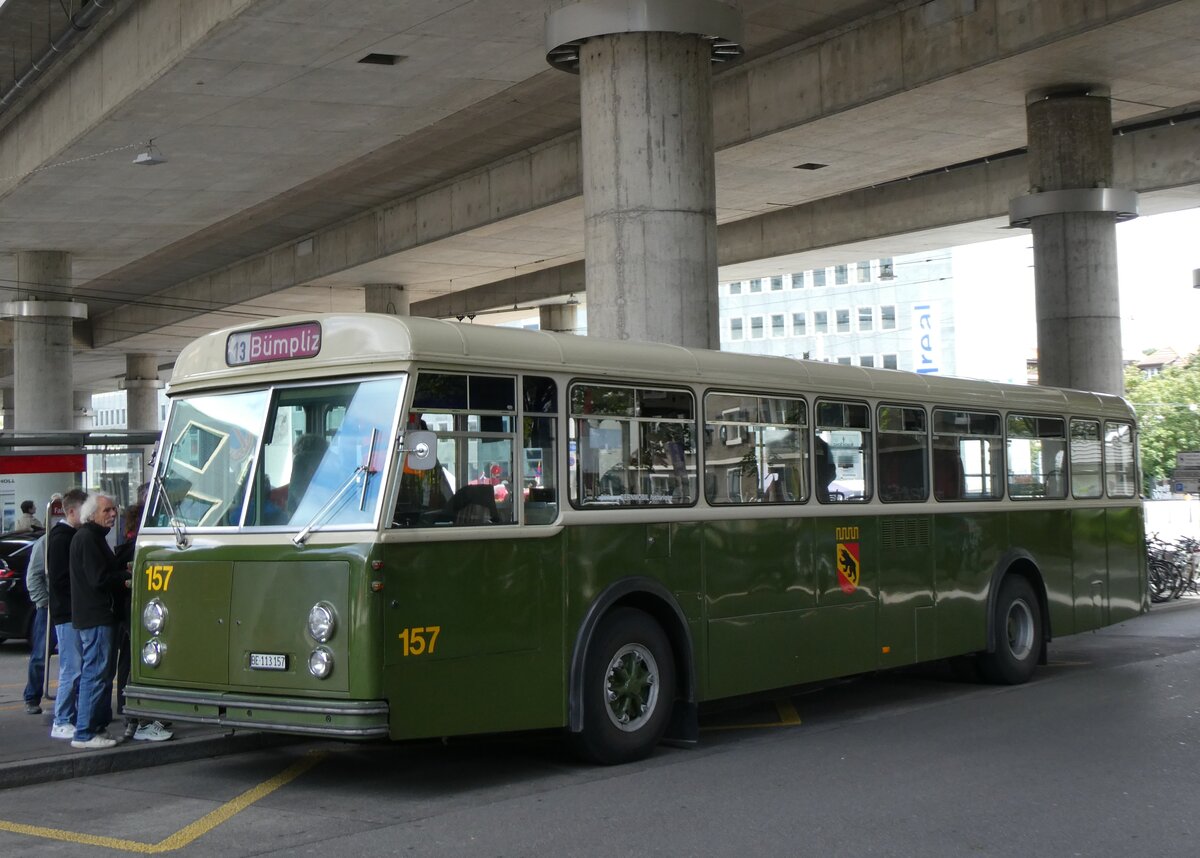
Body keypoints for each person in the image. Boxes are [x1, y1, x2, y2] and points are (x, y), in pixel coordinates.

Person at [68, 493, 129, 750]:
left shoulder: (92, 538)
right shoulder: (88, 539)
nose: (113, 514)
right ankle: (84, 732)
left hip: (97, 616)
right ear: (91, 514)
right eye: (107, 510)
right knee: (95, 673)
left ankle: (96, 727)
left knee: (102, 673)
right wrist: (124, 578)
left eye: (114, 510)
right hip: (96, 617)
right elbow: (98, 578)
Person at [113, 503, 172, 742]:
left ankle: (130, 715)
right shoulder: (139, 551)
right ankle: (140, 719)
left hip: (128, 614)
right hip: (140, 614)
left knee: (128, 662)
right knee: (142, 663)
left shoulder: (123, 549)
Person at [47, 488, 87, 740]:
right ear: (71, 511)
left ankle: (67, 718)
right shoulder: (63, 538)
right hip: (67, 613)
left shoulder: (66, 536)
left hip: (70, 611)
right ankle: (61, 719)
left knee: (75, 668)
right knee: (71, 668)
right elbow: (61, 580)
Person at [22, 533, 51, 714]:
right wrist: (44, 602)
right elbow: (33, 576)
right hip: (49, 608)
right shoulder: (45, 542)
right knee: (41, 653)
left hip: (70, 607)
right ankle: (32, 696)